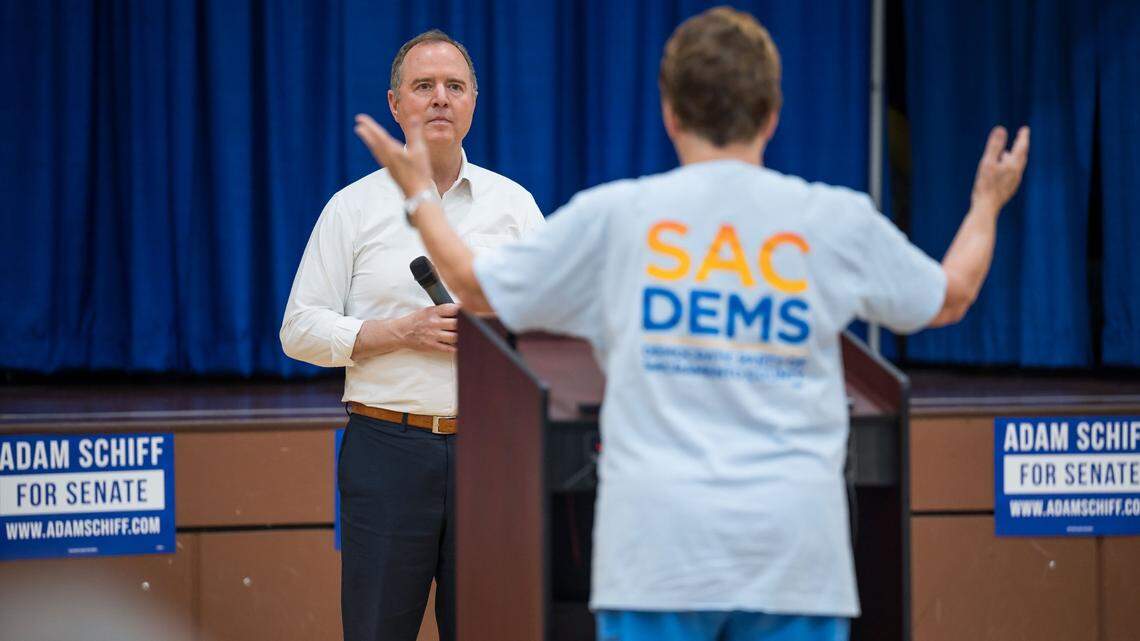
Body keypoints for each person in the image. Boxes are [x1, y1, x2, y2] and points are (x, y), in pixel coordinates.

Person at [353, 7, 1029, 641]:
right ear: (772, 112)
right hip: (796, 561)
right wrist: (986, 202)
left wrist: (418, 194)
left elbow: (471, 284)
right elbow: (952, 294)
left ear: (670, 113)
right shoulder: (834, 218)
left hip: (656, 560)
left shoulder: (617, 217)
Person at [279, 29, 544, 641]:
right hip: (387, 450)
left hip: (494, 454)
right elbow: (299, 330)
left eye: (455, 86)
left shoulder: (516, 207)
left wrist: (503, 327)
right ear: (396, 105)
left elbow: (553, 326)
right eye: (424, 87)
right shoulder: (350, 209)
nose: (440, 99)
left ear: (475, 101)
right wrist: (397, 331)